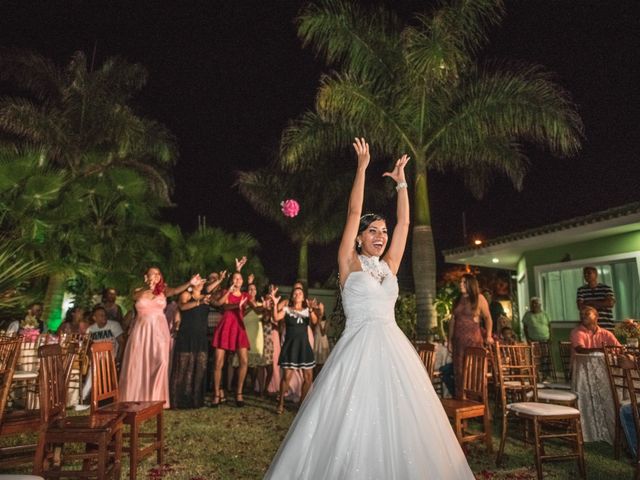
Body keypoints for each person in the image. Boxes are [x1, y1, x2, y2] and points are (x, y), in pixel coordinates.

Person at [264, 138, 474, 479]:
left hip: (394, 350)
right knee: (351, 422)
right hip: (356, 351)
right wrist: (362, 168)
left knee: (402, 421)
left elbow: (405, 225)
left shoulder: (389, 265)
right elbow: (352, 211)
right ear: (359, 237)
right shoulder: (349, 263)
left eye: (383, 231)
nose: (381, 235)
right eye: (372, 230)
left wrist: (402, 181)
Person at [119, 267, 201, 408]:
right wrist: (149, 287)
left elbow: (175, 291)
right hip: (141, 331)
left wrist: (190, 283)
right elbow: (135, 298)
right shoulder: (138, 291)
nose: (156, 276)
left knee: (161, 362)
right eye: (153, 273)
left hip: (159, 331)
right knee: (138, 364)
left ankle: (155, 400)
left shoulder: (164, 290)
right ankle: (135, 398)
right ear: (146, 276)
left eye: (158, 273)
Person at [269, 286, 319, 414]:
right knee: (286, 377)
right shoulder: (287, 310)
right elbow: (275, 318)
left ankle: (301, 404)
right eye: (295, 293)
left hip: (304, 347)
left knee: (308, 377)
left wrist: (312, 309)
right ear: (292, 297)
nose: (298, 294)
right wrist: (275, 304)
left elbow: (314, 321)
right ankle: (280, 404)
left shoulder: (308, 310)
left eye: (300, 292)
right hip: (291, 347)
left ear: (303, 297)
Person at [211, 258, 251, 408]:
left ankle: (238, 393)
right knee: (218, 363)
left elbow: (256, 308)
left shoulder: (246, 295)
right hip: (225, 327)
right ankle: (217, 394)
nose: (237, 280)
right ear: (231, 280)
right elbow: (222, 306)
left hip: (238, 328)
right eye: (234, 278)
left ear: (243, 281)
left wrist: (267, 306)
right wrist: (231, 292)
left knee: (244, 361)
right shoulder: (224, 292)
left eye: (240, 278)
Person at [448, 274, 493, 398]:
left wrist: (488, 335)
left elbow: (488, 318)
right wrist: (449, 340)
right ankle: (461, 401)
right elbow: (452, 320)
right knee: (459, 372)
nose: (461, 285)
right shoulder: (457, 299)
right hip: (458, 342)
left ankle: (476, 403)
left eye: (464, 282)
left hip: (473, 341)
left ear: (470, 284)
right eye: (460, 282)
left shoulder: (479, 298)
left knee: (473, 372)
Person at [171, 279, 210, 408]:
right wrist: (198, 302)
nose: (200, 283)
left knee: (199, 367)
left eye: (202, 281)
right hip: (186, 335)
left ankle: (196, 400)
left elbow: (219, 301)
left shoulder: (206, 297)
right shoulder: (186, 295)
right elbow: (182, 306)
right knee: (183, 368)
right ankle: (179, 401)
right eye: (198, 281)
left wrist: (221, 280)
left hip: (200, 337)